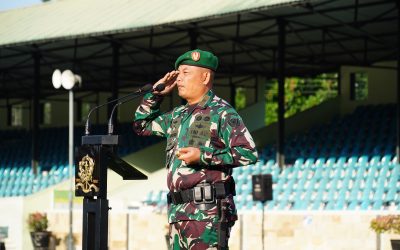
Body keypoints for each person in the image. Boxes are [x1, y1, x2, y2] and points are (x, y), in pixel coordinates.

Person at [133, 49, 258, 250]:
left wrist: (203, 156)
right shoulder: (178, 115)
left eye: (185, 73)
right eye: (178, 73)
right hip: (178, 212)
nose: (178, 79)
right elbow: (142, 126)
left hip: (206, 214)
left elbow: (248, 152)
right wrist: (155, 95)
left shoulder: (221, 112)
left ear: (205, 76)